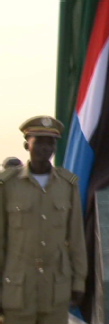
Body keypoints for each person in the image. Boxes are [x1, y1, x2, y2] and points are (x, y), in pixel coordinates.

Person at [0, 116, 87, 324]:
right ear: (26, 144)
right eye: (39, 141)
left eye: (51, 143)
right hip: (18, 290)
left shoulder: (67, 185)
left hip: (56, 289)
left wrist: (79, 281)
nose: (45, 148)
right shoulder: (8, 185)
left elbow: (76, 238)